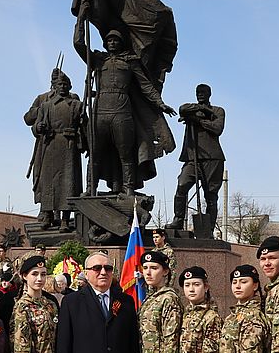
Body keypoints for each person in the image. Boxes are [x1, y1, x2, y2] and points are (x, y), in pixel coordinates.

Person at [76, 29, 176, 195]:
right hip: (99, 112)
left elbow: (145, 85)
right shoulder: (98, 60)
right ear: (105, 43)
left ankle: (128, 188)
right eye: (109, 40)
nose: (112, 43)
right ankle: (90, 188)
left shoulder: (130, 62)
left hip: (122, 112)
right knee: (95, 154)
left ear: (121, 43)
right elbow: (78, 44)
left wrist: (160, 103)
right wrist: (80, 21)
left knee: (126, 154)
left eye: (115, 40)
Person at [23, 69, 84, 231]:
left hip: (68, 146)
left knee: (68, 182)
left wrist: (81, 141)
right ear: (53, 84)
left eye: (64, 83)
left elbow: (82, 124)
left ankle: (64, 218)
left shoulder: (75, 101)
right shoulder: (43, 100)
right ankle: (47, 214)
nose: (61, 86)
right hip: (48, 144)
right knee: (47, 181)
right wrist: (38, 125)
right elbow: (29, 119)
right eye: (57, 82)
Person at [169, 84, 226, 237]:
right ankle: (178, 220)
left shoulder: (218, 111)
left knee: (211, 196)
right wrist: (198, 111)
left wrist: (199, 121)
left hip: (212, 158)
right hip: (192, 158)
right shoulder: (191, 109)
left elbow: (217, 128)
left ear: (209, 94)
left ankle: (209, 230)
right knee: (182, 185)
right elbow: (182, 108)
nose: (200, 94)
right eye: (198, 92)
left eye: (203, 92)